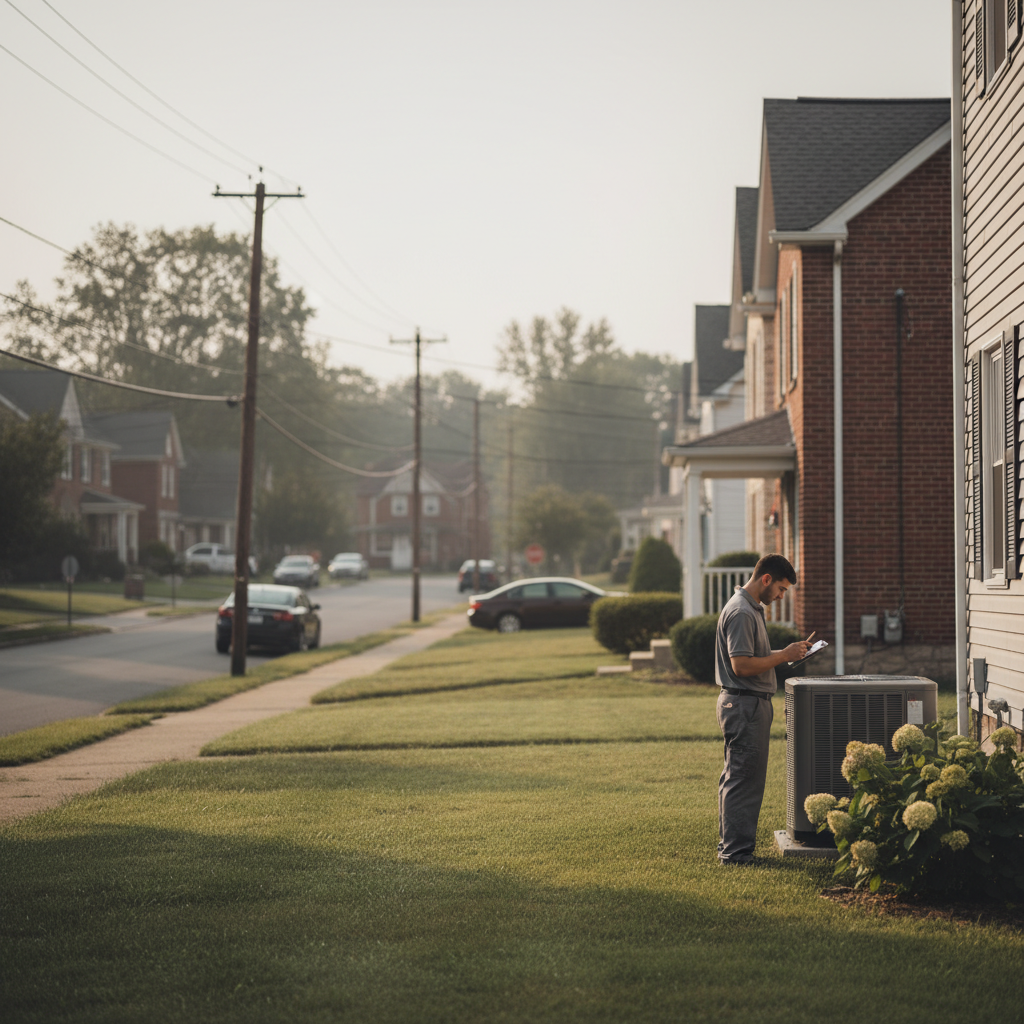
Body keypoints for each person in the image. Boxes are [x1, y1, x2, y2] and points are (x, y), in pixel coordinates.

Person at [715, 553, 810, 865]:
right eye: (781, 589)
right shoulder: (742, 612)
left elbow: (752, 656)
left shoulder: (749, 608)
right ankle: (736, 854)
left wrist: (787, 654)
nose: (781, 596)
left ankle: (731, 848)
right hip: (744, 704)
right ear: (766, 579)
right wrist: (783, 656)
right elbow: (741, 665)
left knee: (738, 776)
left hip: (747, 703)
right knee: (744, 778)